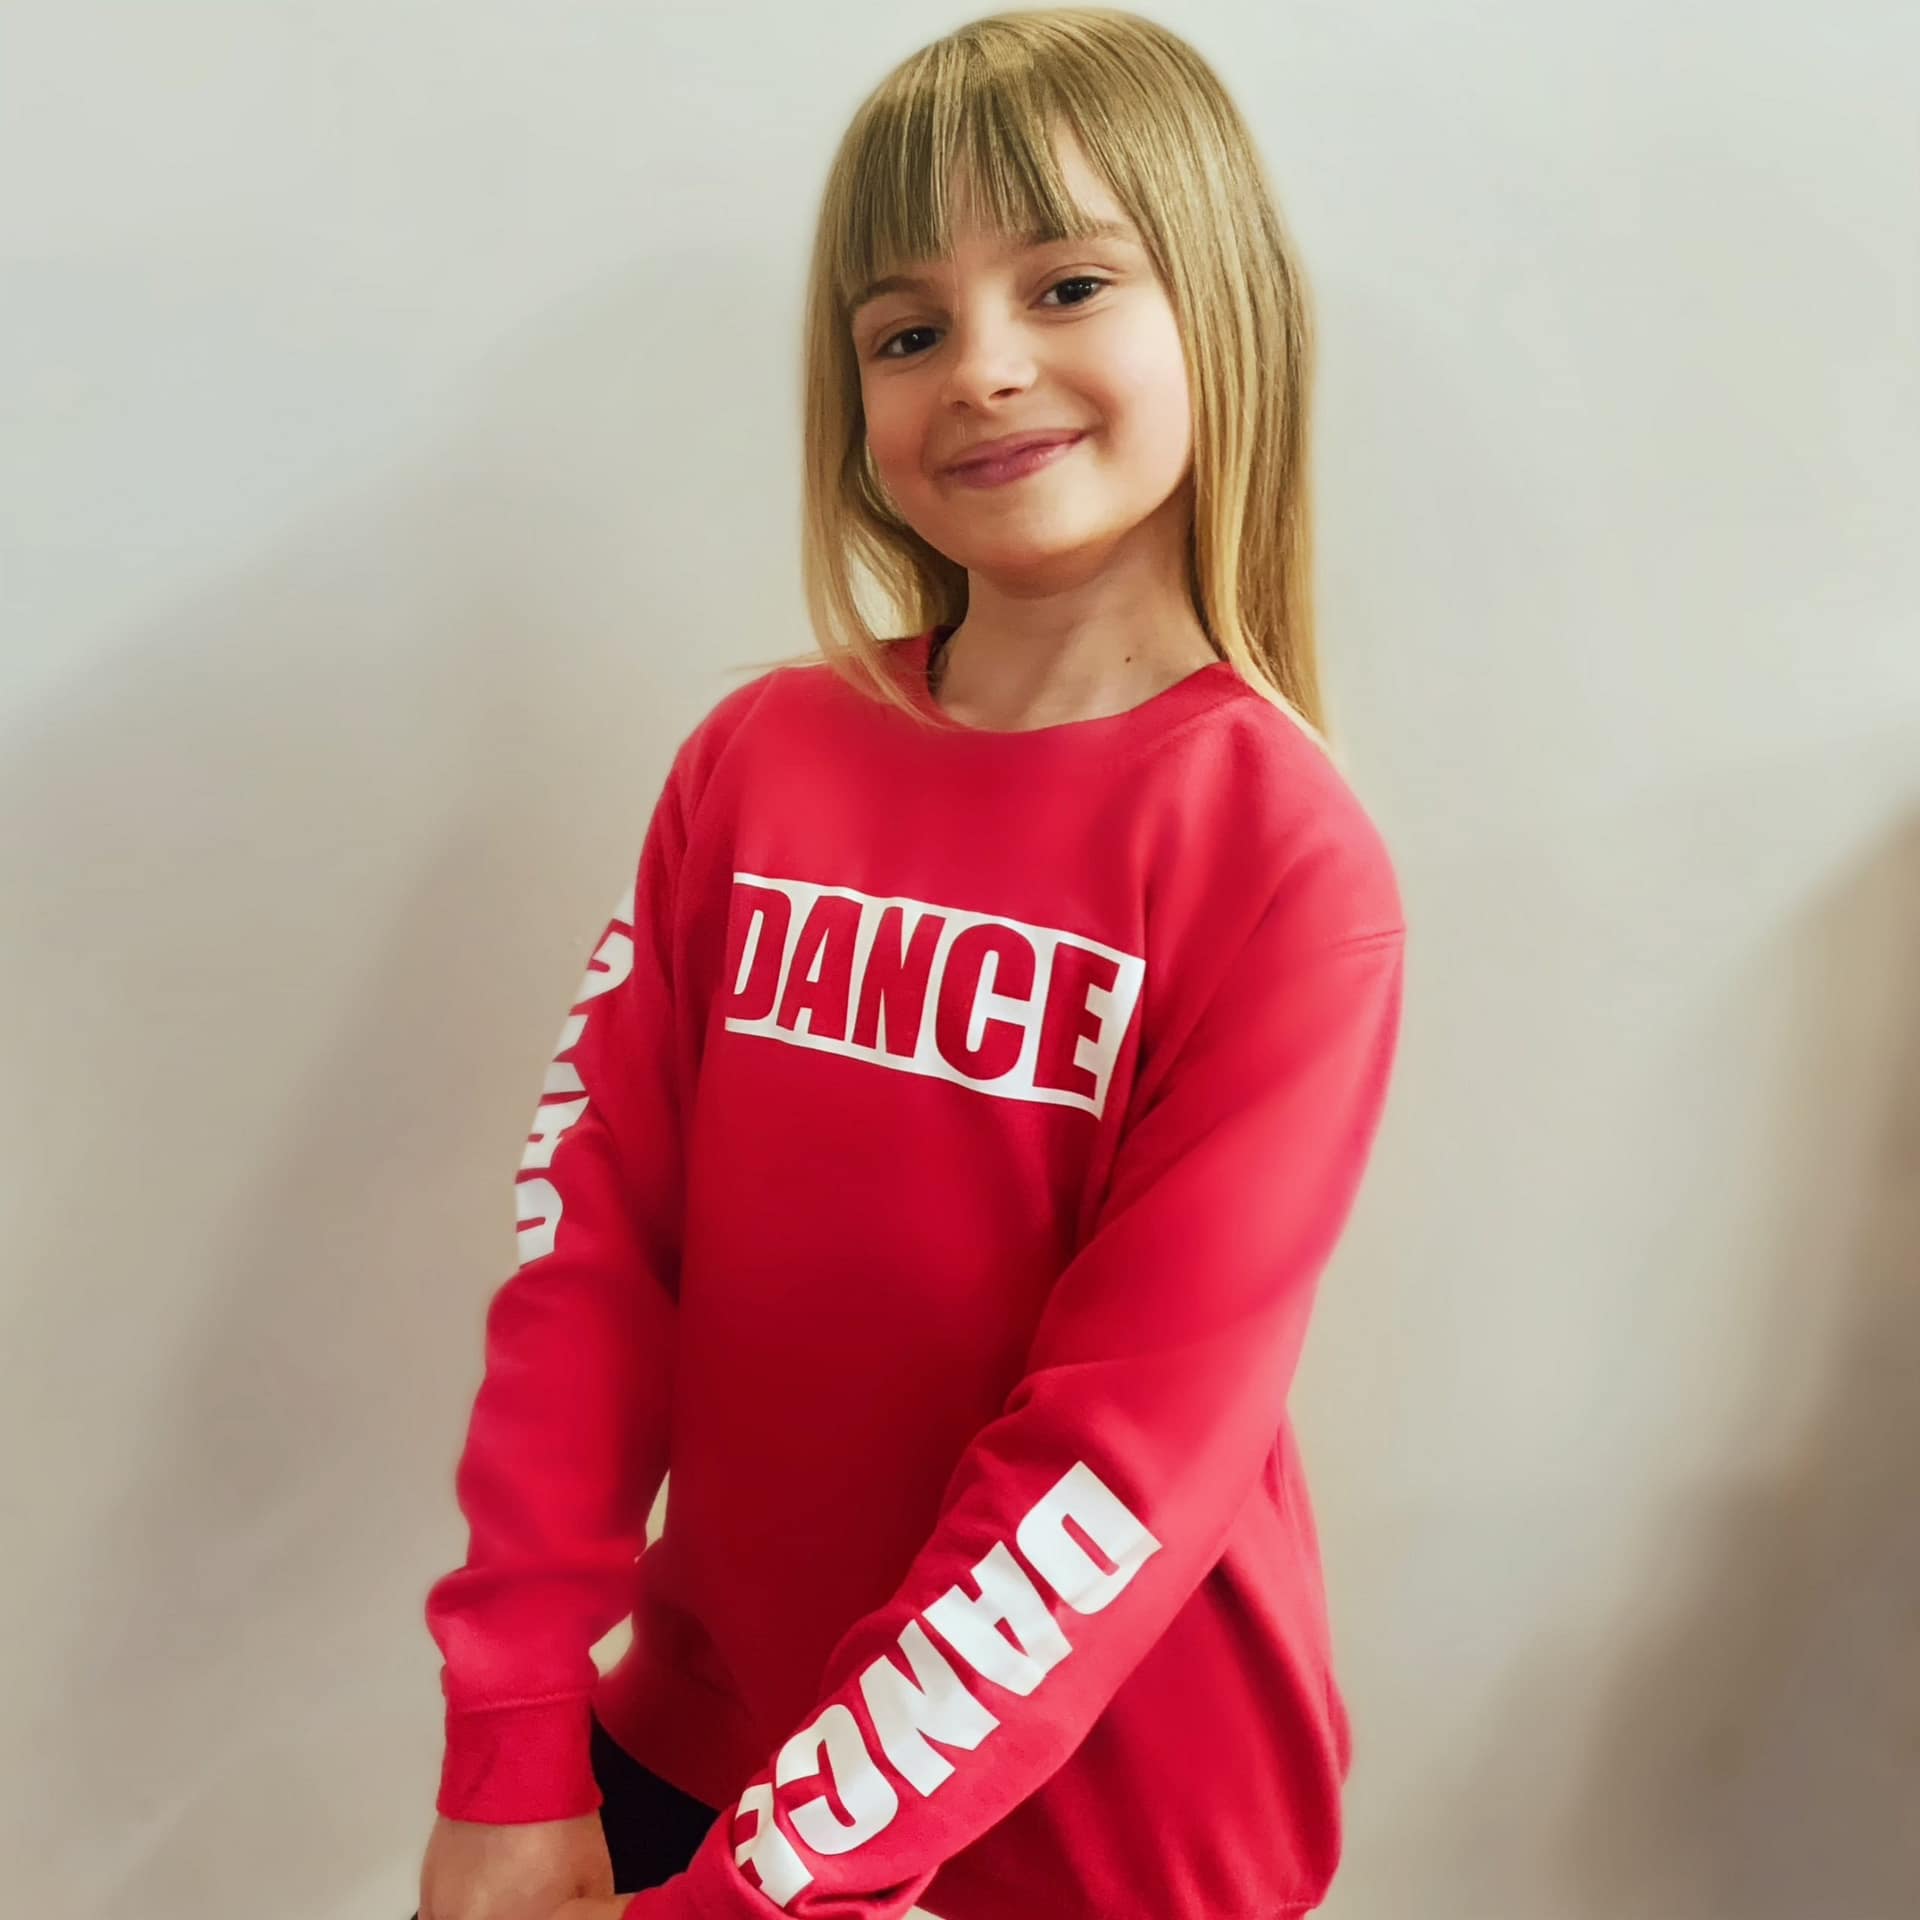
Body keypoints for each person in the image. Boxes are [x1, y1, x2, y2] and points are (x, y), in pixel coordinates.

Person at [413, 9, 1407, 1920]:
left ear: (1221, 310)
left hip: (1098, 1845)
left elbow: (1118, 1464)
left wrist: (761, 1890)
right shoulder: (758, 764)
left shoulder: (1281, 861)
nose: (985, 367)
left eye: (1068, 283)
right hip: (698, 1759)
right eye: (906, 330)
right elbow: (589, 1266)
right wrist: (512, 1738)